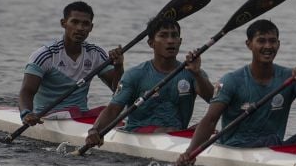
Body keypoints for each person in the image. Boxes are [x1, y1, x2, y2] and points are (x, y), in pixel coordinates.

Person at [176, 19, 296, 166]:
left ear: (278, 44)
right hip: (236, 148)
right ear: (249, 44)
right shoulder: (232, 80)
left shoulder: (289, 77)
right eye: (261, 41)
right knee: (272, 140)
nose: (268, 46)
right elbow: (210, 120)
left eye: (272, 41)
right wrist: (189, 152)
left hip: (272, 147)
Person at [84, 17, 214, 147]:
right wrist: (95, 130)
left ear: (180, 42)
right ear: (151, 43)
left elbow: (214, 100)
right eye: (163, 36)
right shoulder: (135, 74)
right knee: (171, 131)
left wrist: (197, 75)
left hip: (176, 135)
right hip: (138, 133)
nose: (170, 41)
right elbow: (113, 110)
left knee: (211, 130)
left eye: (174, 36)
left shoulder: (192, 72)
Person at [18, 1, 124, 126]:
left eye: (85, 24)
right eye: (74, 22)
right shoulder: (45, 55)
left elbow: (118, 90)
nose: (80, 28)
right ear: (63, 23)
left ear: (91, 27)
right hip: (47, 117)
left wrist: (118, 66)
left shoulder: (95, 54)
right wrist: (26, 114)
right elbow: (26, 91)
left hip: (80, 115)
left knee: (107, 111)